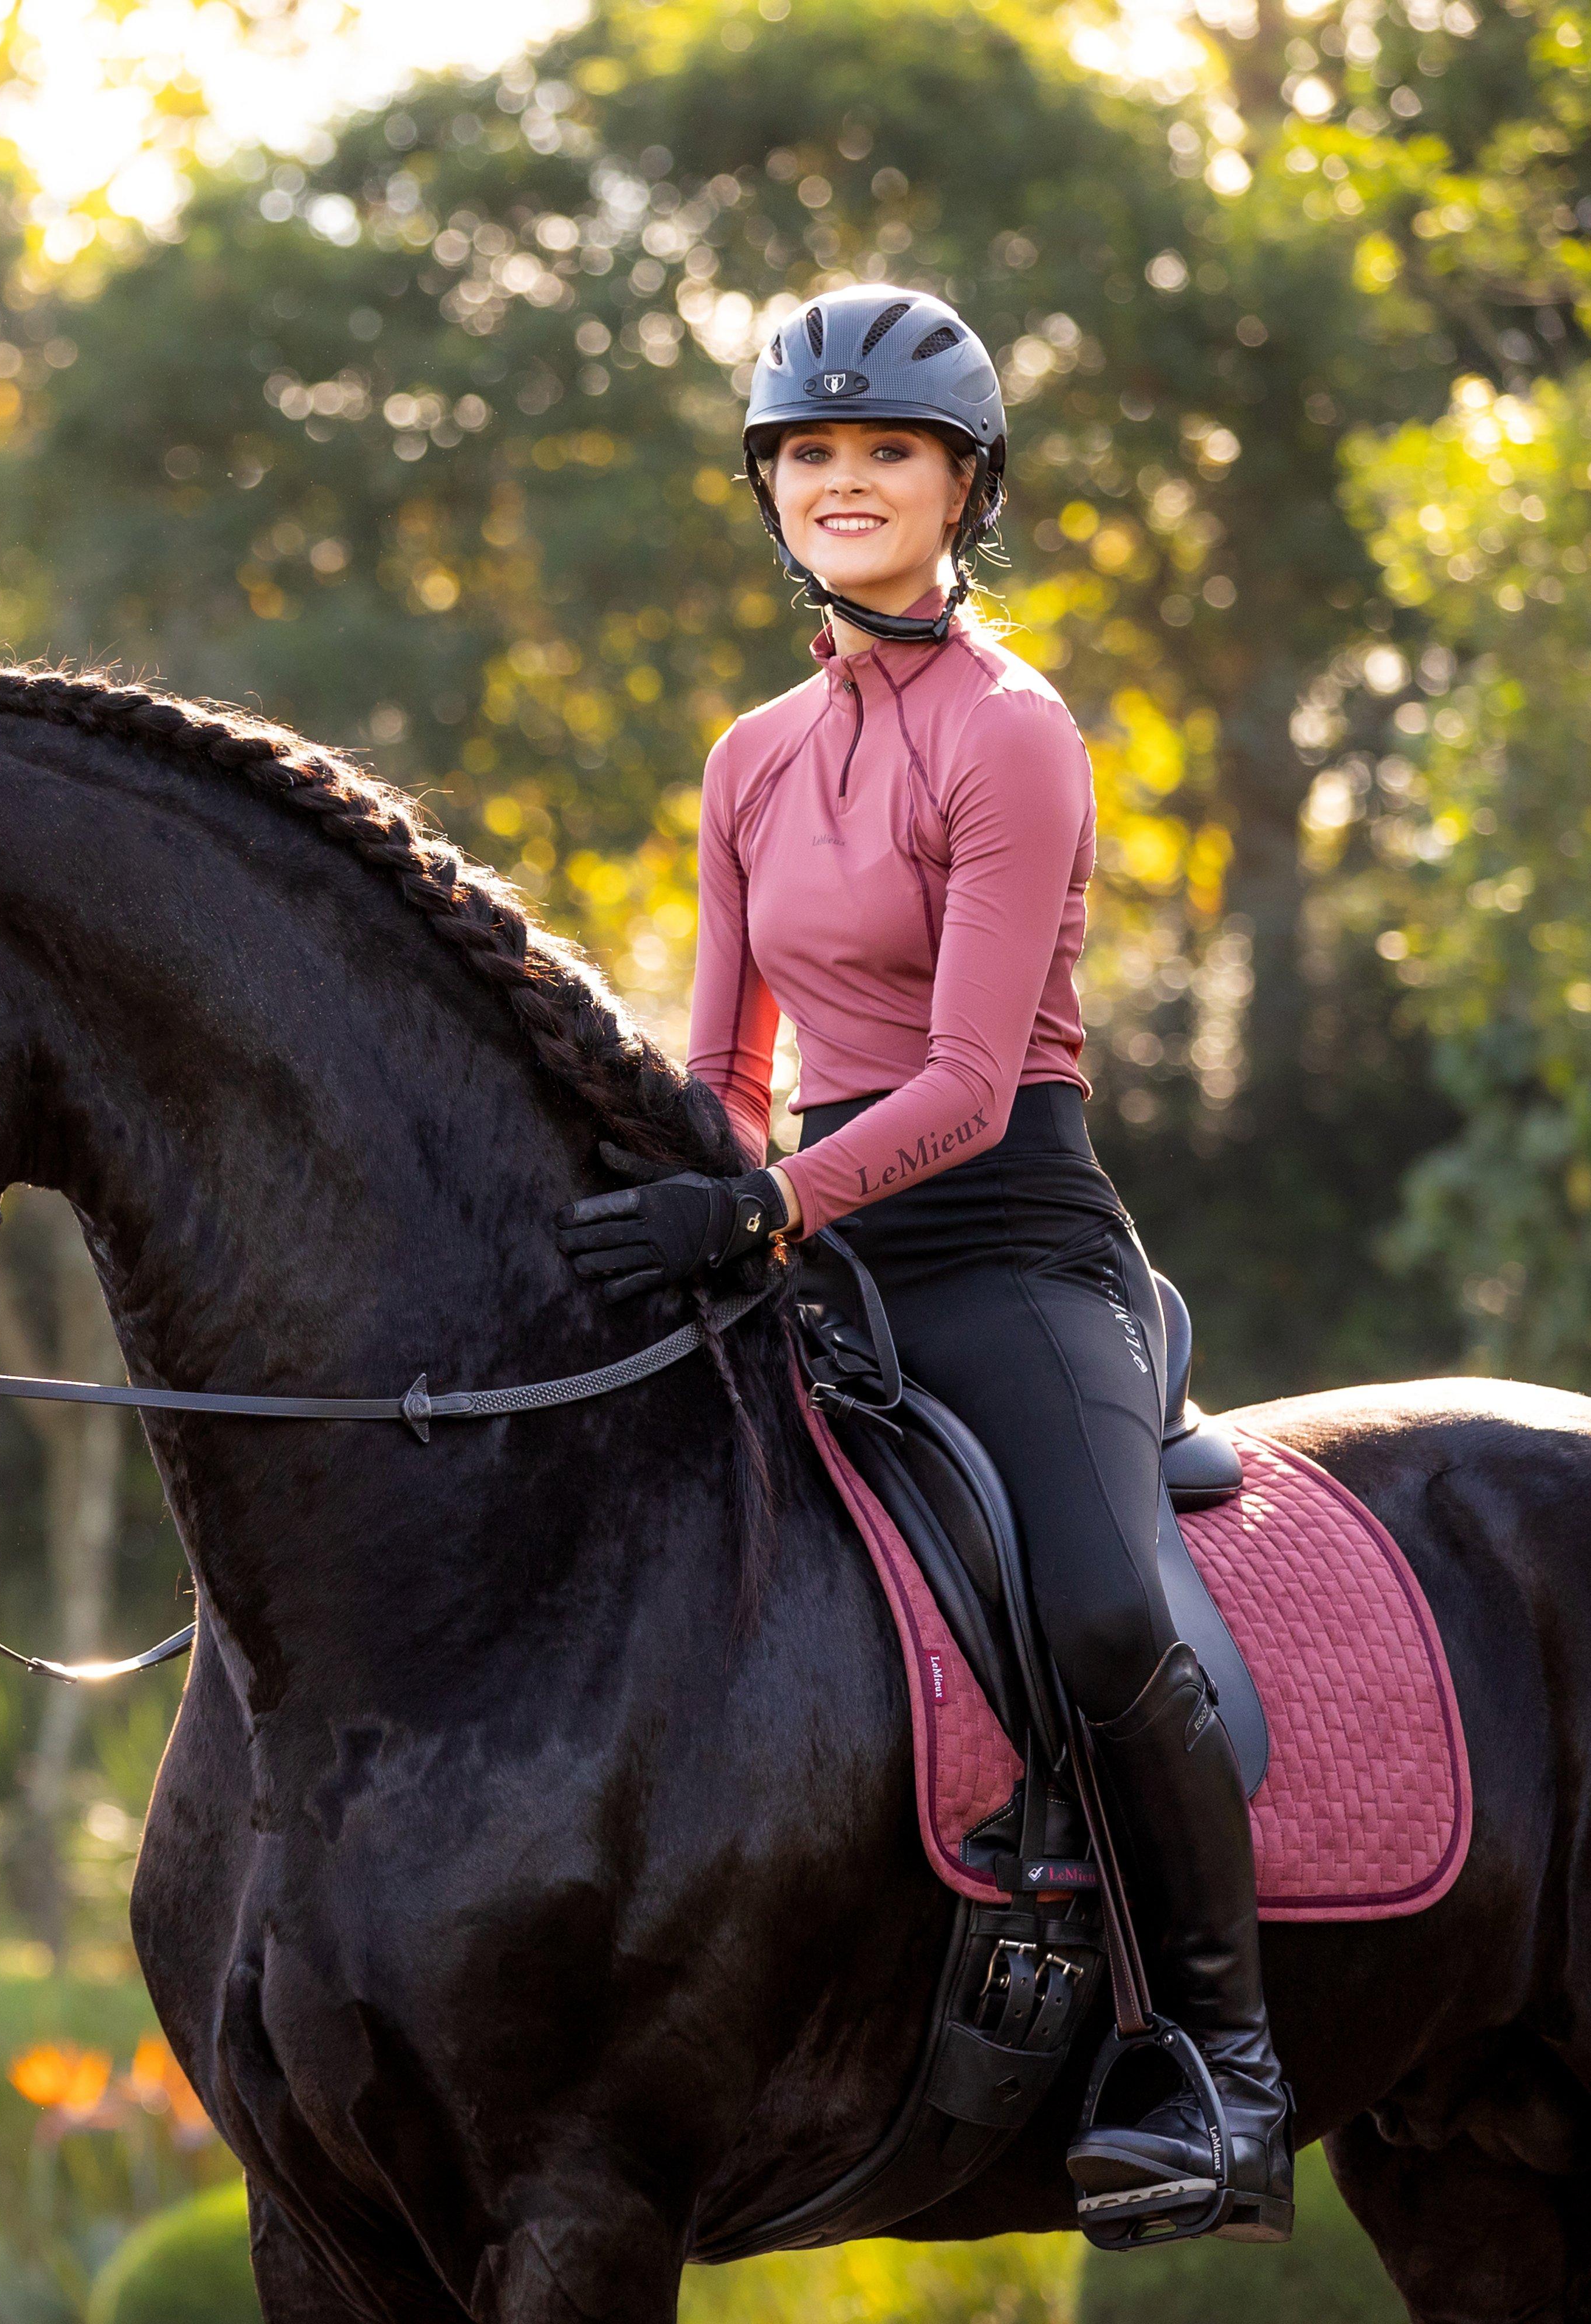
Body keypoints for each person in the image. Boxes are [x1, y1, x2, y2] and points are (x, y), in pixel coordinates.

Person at [553, 284, 1293, 2241]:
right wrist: (691, 1200)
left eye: (888, 452)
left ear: (965, 488)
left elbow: (969, 1086)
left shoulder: (1015, 734)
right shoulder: (750, 758)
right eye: (811, 455)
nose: (846, 483)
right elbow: (726, 1067)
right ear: (768, 496)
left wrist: (766, 1204)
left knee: (1107, 1615)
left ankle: (1221, 2063)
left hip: (1010, 1248)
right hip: (804, 1243)